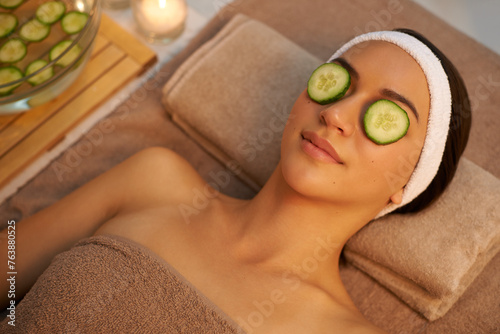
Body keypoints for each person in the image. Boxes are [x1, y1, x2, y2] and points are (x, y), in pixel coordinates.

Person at [0, 29, 471, 333]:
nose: (336, 114)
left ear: (408, 183)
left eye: (385, 117)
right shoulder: (154, 181)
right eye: (337, 83)